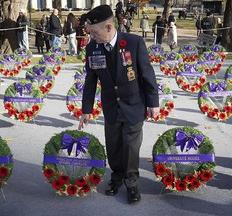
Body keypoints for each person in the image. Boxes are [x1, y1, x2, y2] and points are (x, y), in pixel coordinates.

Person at [78, 5, 159, 204]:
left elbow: (148, 74)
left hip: (134, 105)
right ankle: (116, 178)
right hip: (111, 107)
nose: (92, 36)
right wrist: (86, 110)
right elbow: (90, 81)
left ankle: (131, 182)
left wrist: (153, 103)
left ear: (108, 27)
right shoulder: (92, 47)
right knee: (113, 145)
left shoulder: (133, 42)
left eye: (95, 32)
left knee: (131, 147)